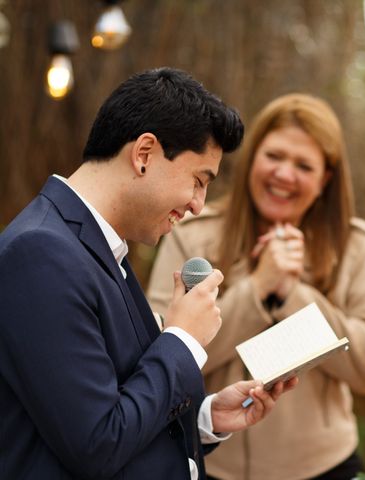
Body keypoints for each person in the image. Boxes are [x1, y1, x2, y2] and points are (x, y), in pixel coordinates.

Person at [0, 67, 297, 480]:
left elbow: (114, 405)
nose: (197, 204)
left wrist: (206, 418)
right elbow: (98, 443)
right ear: (144, 154)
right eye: (198, 180)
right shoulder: (39, 253)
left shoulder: (99, 247)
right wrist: (182, 340)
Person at [147, 93, 365, 480]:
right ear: (252, 159)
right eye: (274, 157)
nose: (284, 174)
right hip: (211, 463)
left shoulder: (353, 244)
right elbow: (158, 353)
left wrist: (293, 293)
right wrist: (257, 288)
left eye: (303, 165)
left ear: (325, 179)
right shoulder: (191, 236)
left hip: (324, 467)